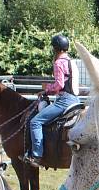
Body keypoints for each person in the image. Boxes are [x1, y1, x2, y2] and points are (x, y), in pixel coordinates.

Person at [24, 33, 80, 168]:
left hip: (64, 101)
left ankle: (36, 156)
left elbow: (59, 85)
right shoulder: (71, 62)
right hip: (76, 100)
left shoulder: (58, 63)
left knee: (35, 122)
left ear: (55, 49)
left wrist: (46, 90)